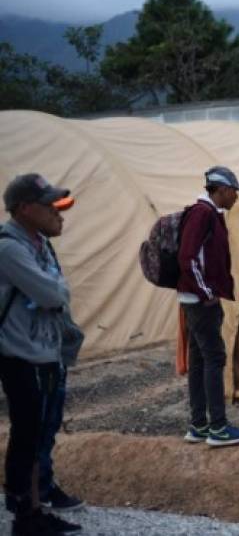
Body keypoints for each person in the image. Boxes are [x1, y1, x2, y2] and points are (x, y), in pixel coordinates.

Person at [1, 173, 82, 535]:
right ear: (24, 209)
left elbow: (56, 290)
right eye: (49, 205)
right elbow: (54, 295)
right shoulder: (9, 248)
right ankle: (25, 513)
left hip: (42, 352)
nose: (57, 212)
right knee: (27, 433)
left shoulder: (38, 244)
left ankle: (33, 506)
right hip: (20, 355)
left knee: (36, 433)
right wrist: (57, 288)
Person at [178, 166, 239, 447]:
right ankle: (218, 427)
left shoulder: (209, 214)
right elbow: (188, 257)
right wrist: (206, 292)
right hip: (200, 302)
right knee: (214, 358)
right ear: (222, 190)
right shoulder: (202, 214)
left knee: (199, 360)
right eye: (234, 192)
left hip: (195, 299)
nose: (236, 197)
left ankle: (198, 425)